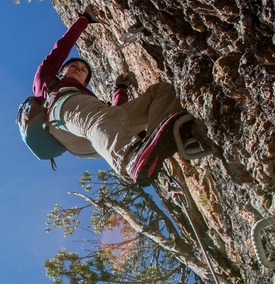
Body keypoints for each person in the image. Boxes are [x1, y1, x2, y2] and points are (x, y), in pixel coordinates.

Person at [34, 11, 197, 185]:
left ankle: (177, 139)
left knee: (160, 92)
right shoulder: (47, 80)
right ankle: (130, 159)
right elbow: (62, 47)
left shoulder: (87, 101)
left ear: (86, 81)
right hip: (62, 120)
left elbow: (115, 114)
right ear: (61, 72)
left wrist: (121, 88)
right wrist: (84, 20)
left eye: (84, 70)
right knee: (98, 118)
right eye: (74, 65)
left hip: (97, 140)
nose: (79, 69)